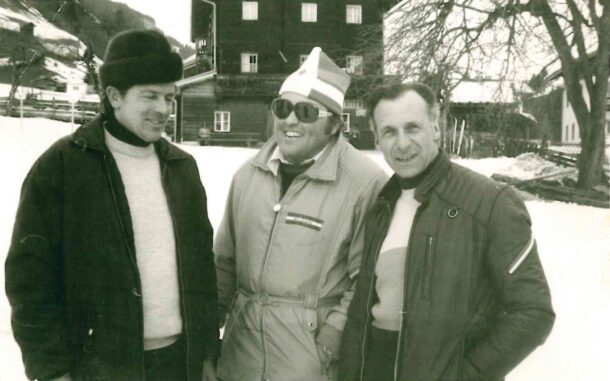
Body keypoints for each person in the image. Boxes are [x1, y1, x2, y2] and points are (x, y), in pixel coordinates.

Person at [5, 29, 219, 381]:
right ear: (114, 95)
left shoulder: (181, 167)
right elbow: (30, 280)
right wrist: (52, 369)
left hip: (178, 362)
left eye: (170, 98)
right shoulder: (62, 166)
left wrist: (206, 351)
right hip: (97, 366)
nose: (163, 109)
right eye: (150, 96)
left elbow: (201, 268)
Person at [338, 82, 555, 381]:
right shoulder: (381, 207)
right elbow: (361, 313)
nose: (402, 144)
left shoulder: (491, 202)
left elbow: (533, 313)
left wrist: (466, 375)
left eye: (412, 128)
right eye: (389, 132)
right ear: (377, 140)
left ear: (436, 129)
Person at [214, 47, 388, 381]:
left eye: (306, 111)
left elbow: (365, 281)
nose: (290, 120)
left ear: (334, 124)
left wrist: (327, 347)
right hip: (240, 359)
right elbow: (225, 262)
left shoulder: (364, 183)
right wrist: (210, 338)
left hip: (307, 363)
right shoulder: (247, 175)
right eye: (283, 108)